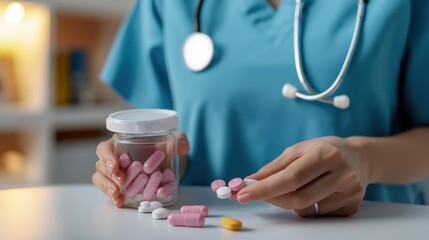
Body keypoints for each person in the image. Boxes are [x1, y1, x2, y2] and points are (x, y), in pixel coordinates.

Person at [92, 0, 429, 217]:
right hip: (209, 227)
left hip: (373, 227)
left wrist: (363, 159)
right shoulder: (167, 6)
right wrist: (143, 165)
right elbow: (170, 138)